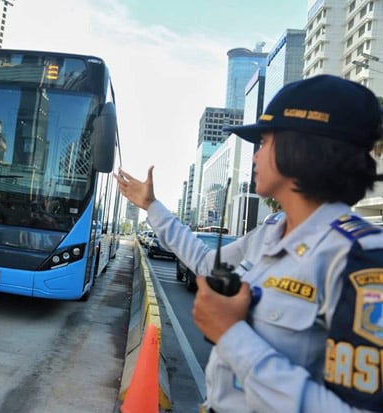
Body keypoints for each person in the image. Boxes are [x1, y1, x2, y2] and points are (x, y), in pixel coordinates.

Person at [114, 75, 383, 412]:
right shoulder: (271, 233)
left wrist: (230, 335)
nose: (255, 156)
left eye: (266, 142)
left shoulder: (359, 258)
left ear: (301, 147)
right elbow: (206, 263)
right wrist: (151, 207)